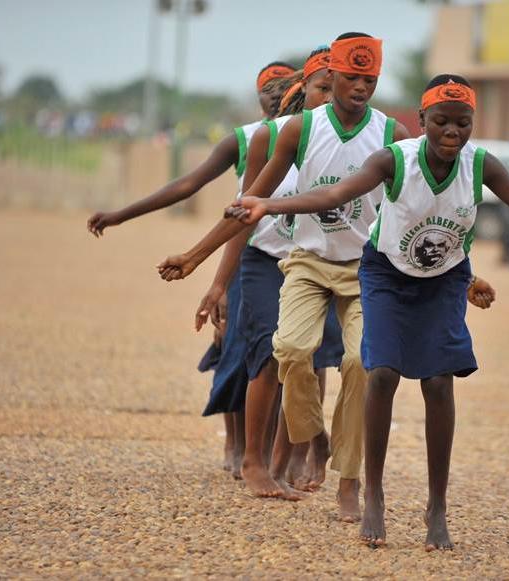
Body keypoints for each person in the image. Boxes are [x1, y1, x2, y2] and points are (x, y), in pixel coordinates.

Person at [228, 74, 509, 550]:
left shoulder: (481, 165)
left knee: (437, 382)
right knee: (381, 372)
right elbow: (334, 195)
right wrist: (268, 204)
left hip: (445, 279)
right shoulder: (394, 159)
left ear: (473, 123)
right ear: (423, 120)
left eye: (463, 123)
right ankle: (373, 494)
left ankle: (436, 506)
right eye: (442, 122)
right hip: (387, 275)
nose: (452, 132)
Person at [156, 33, 412, 522]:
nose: (361, 87)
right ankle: (313, 438)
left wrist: (456, 276)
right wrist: (195, 257)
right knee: (290, 351)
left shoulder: (393, 135)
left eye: (370, 79)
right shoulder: (300, 129)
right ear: (331, 75)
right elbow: (250, 204)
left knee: (360, 364)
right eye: (351, 77)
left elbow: (419, 210)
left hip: (364, 269)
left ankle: (349, 481)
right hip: (307, 263)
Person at [85, 60, 295, 478]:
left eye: (284, 92)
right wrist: (122, 215)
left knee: (300, 357)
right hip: (248, 251)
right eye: (269, 94)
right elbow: (187, 185)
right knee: (237, 349)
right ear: (260, 102)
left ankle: (289, 450)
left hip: (300, 255)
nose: (276, 100)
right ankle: (237, 443)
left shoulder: (313, 136)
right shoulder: (248, 139)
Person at [191, 47, 344, 500]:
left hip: (316, 263)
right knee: (264, 355)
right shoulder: (267, 137)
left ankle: (298, 450)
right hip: (263, 261)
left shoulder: (352, 143)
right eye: (322, 88)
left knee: (311, 358)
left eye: (337, 88)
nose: (331, 97)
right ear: (303, 89)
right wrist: (215, 278)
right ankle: (251, 457)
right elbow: (243, 213)